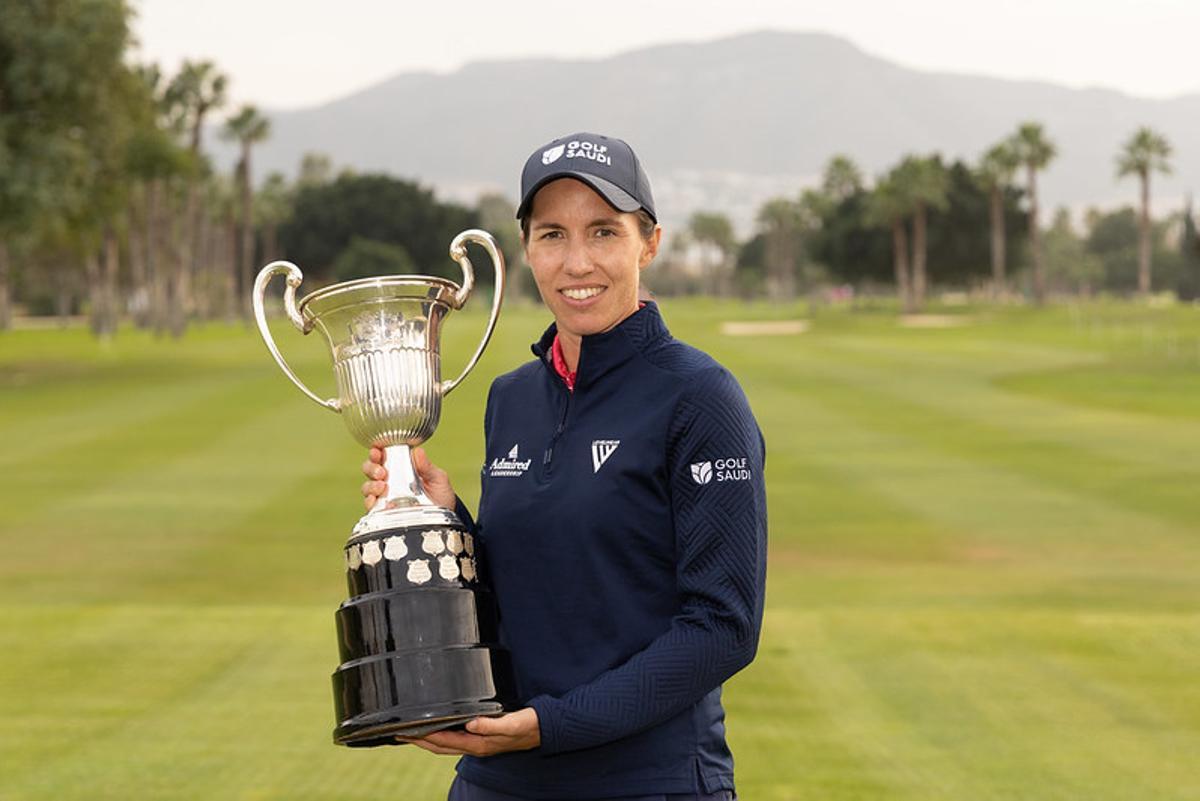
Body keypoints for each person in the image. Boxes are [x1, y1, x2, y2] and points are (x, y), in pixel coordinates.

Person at [360, 132, 767, 801]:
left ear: (649, 242)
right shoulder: (513, 396)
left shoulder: (699, 397)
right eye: (553, 234)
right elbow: (525, 585)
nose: (578, 262)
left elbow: (723, 626)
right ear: (527, 250)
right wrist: (443, 515)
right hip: (498, 778)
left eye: (604, 231)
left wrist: (553, 724)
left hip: (644, 781)